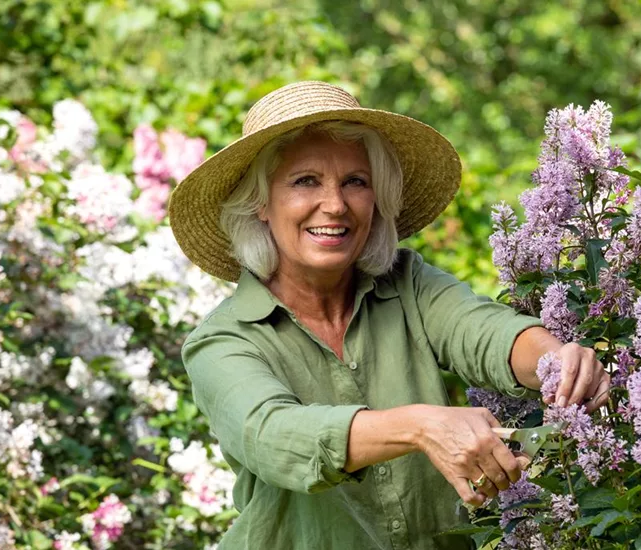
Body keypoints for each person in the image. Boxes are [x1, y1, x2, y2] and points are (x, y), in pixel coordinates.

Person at [168, 81, 610, 549]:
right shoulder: (222, 341)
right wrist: (421, 426)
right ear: (260, 202)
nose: (335, 205)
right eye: (305, 181)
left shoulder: (408, 282)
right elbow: (273, 435)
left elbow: (485, 332)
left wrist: (556, 360)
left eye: (355, 182)